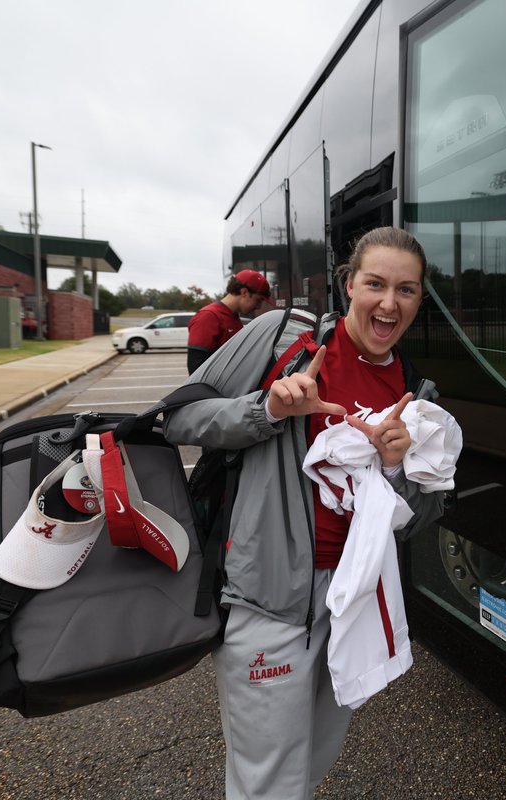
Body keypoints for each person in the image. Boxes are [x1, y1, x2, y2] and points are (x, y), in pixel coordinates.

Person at [164, 227, 446, 799]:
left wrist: (395, 470)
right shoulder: (283, 338)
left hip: (351, 602)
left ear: (419, 300)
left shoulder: (417, 393)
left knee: (312, 764)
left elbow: (419, 516)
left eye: (406, 290)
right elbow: (179, 417)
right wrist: (266, 409)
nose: (389, 303)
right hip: (269, 596)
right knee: (268, 780)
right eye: (375, 284)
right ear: (348, 285)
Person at [186, 269, 273, 374]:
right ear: (244, 292)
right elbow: (196, 368)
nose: (258, 306)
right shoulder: (208, 317)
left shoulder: (233, 317)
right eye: (258, 300)